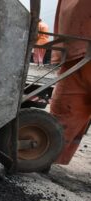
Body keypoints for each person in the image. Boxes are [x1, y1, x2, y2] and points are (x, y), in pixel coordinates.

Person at [50, 0, 91, 165]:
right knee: (66, 110)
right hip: (76, 51)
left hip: (76, 48)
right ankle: (49, 155)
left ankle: (48, 154)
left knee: (66, 108)